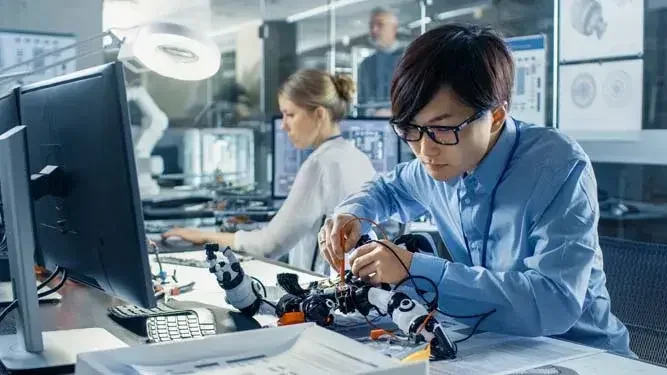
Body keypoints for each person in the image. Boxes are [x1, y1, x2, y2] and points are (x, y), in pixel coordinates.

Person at [319, 24, 633, 356]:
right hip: (494, 347)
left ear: (496, 116)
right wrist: (351, 214)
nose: (425, 149)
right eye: (410, 129)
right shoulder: (437, 162)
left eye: (442, 128)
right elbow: (387, 189)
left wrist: (415, 268)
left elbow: (553, 302)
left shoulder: (556, 166)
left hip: (580, 353)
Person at [164, 69, 376, 274]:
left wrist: (201, 236)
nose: (283, 126)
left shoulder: (320, 163)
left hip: (322, 291)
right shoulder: (357, 157)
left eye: (290, 115)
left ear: (319, 114)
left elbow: (269, 245)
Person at [357, 7, 404, 117]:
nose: (374, 30)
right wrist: (373, 112)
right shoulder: (366, 64)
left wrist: (394, 113)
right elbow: (363, 99)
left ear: (394, 28)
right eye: (371, 25)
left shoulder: (410, 58)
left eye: (380, 25)